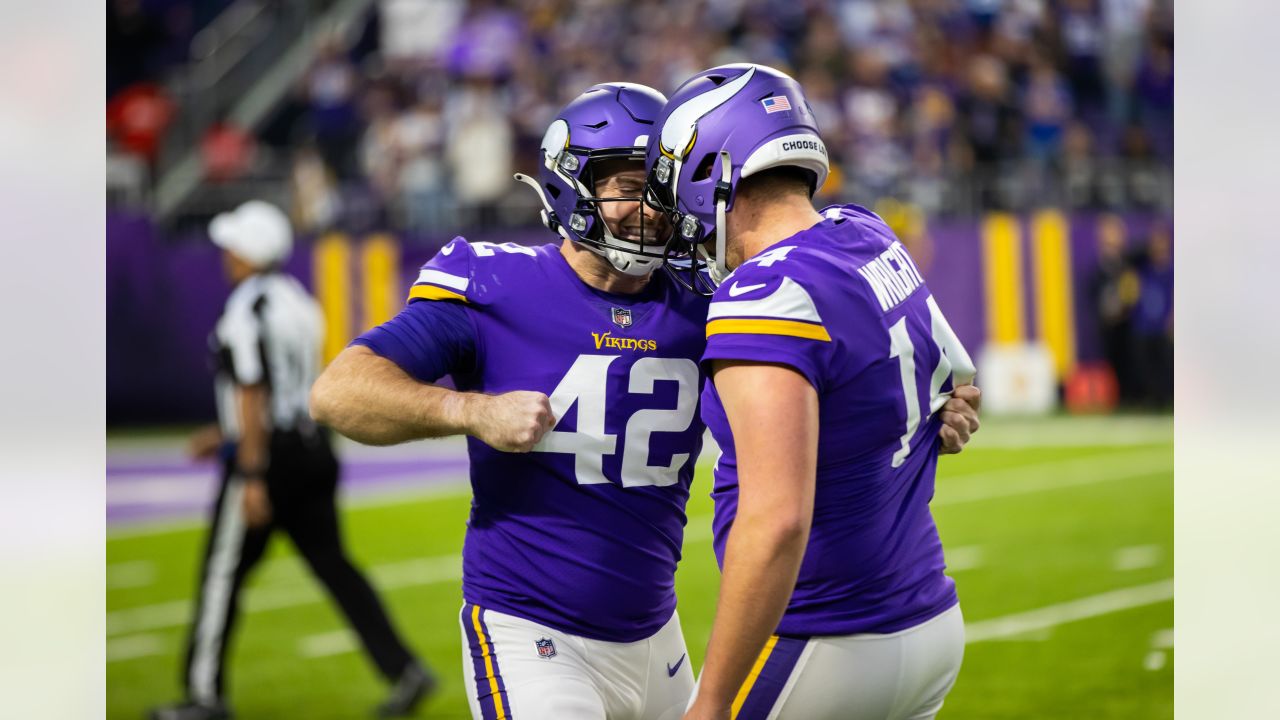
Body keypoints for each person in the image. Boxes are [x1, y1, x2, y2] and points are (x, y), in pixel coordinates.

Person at [310, 83, 980, 720]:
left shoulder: (711, 296)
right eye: (630, 188)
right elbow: (339, 391)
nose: (654, 210)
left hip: (658, 637)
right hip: (532, 628)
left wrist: (925, 407)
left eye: (662, 188)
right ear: (569, 186)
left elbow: (854, 352)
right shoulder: (495, 285)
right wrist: (469, 411)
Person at [644, 63, 980, 720]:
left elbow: (776, 522)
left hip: (826, 637)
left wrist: (710, 701)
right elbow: (959, 382)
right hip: (927, 616)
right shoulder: (867, 233)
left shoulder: (763, 294)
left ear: (710, 169)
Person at [150, 201, 433, 720]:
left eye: (234, 245)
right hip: (313, 446)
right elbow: (290, 386)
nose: (226, 255)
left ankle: (203, 696)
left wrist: (251, 470)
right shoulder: (299, 300)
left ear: (251, 252)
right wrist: (224, 432)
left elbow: (254, 391)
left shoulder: (245, 309)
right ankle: (405, 668)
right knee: (334, 566)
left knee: (221, 576)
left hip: (268, 457)